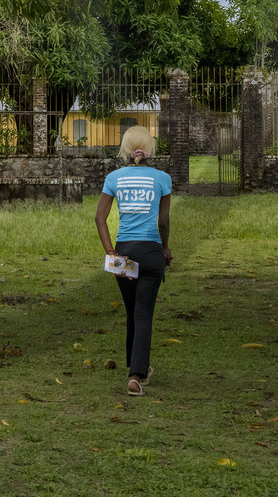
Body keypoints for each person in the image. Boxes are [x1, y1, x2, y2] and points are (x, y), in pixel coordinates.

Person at [94, 125, 173, 396]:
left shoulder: (114, 178)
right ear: (150, 149)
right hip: (151, 252)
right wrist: (164, 248)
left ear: (125, 150)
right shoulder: (162, 178)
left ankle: (138, 366)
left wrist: (110, 252)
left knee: (132, 313)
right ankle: (136, 375)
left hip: (123, 251)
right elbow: (163, 221)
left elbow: (100, 218)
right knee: (144, 315)